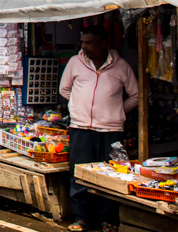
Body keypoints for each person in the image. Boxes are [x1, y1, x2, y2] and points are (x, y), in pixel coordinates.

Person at [60, 26, 139, 232]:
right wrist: (79, 108)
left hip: (112, 130)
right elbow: (64, 89)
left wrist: (116, 111)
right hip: (81, 129)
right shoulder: (75, 63)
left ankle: (108, 220)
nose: (83, 47)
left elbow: (135, 95)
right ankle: (82, 218)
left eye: (89, 42)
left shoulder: (121, 66)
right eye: (82, 42)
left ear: (103, 43)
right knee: (79, 174)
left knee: (112, 174)